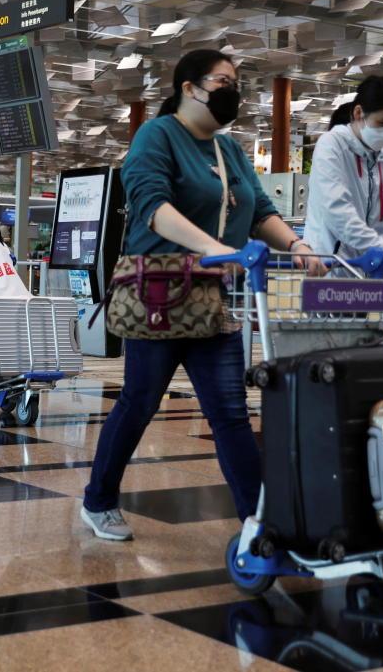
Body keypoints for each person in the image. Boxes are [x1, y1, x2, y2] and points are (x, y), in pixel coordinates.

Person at [80, 49, 325, 542]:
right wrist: (216, 249)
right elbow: (152, 206)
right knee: (140, 401)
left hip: (211, 297)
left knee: (231, 410)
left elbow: (257, 210)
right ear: (189, 88)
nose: (231, 90)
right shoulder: (157, 135)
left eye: (235, 81)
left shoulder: (228, 149)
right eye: (221, 81)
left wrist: (297, 244)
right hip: (159, 293)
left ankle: (261, 522)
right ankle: (98, 499)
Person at [303, 75, 383, 272]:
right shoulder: (332, 145)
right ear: (359, 113)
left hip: (370, 271)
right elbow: (339, 213)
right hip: (328, 268)